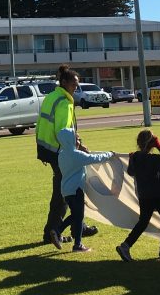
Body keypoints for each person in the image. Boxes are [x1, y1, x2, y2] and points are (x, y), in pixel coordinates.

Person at [35, 65, 96, 244]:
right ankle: (54, 232)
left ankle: (77, 226)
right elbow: (63, 131)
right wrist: (76, 147)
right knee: (66, 193)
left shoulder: (53, 96)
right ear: (64, 82)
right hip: (58, 151)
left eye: (77, 84)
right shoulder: (64, 102)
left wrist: (77, 143)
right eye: (74, 84)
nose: (76, 88)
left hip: (48, 149)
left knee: (69, 189)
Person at [50, 127, 113, 252]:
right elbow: (95, 159)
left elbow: (81, 158)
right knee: (78, 217)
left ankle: (57, 231)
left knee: (76, 215)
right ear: (70, 140)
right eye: (77, 139)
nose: (79, 141)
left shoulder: (62, 154)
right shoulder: (76, 155)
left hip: (66, 190)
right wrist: (110, 154)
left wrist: (82, 150)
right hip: (76, 190)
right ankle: (77, 244)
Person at [117, 129, 160, 261]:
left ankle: (125, 246)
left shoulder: (135, 157)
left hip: (143, 195)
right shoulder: (153, 159)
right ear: (151, 144)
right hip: (157, 195)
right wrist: (159, 146)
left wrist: (132, 160)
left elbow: (131, 172)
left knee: (143, 222)